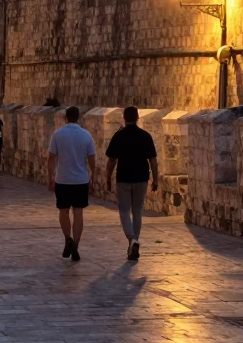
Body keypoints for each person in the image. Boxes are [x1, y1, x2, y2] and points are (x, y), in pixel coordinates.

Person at [105, 106, 159, 261]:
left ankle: (132, 240)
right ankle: (134, 242)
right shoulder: (145, 136)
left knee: (123, 211)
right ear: (137, 118)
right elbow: (153, 160)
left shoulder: (118, 136)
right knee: (137, 212)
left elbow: (111, 161)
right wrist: (156, 179)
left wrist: (108, 178)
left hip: (123, 178)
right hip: (141, 178)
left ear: (124, 117)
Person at [47, 106, 97, 262]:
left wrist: (50, 177)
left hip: (62, 179)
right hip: (80, 180)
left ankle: (67, 238)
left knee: (63, 211)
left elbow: (51, 158)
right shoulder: (86, 135)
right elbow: (92, 160)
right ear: (79, 117)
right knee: (78, 212)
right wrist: (93, 178)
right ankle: (75, 244)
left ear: (65, 118)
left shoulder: (58, 134)